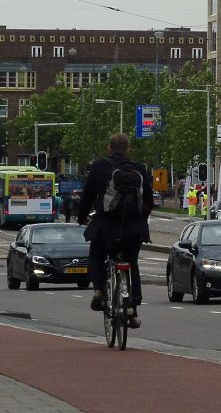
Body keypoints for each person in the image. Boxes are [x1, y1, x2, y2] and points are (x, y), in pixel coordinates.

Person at [77, 133, 153, 330]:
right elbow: (149, 202)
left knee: (95, 255)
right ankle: (133, 311)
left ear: (109, 148)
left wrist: (81, 217)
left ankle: (99, 290)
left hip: (106, 225)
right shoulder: (139, 169)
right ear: (129, 150)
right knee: (132, 263)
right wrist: (140, 220)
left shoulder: (99, 166)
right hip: (134, 228)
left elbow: (88, 195)